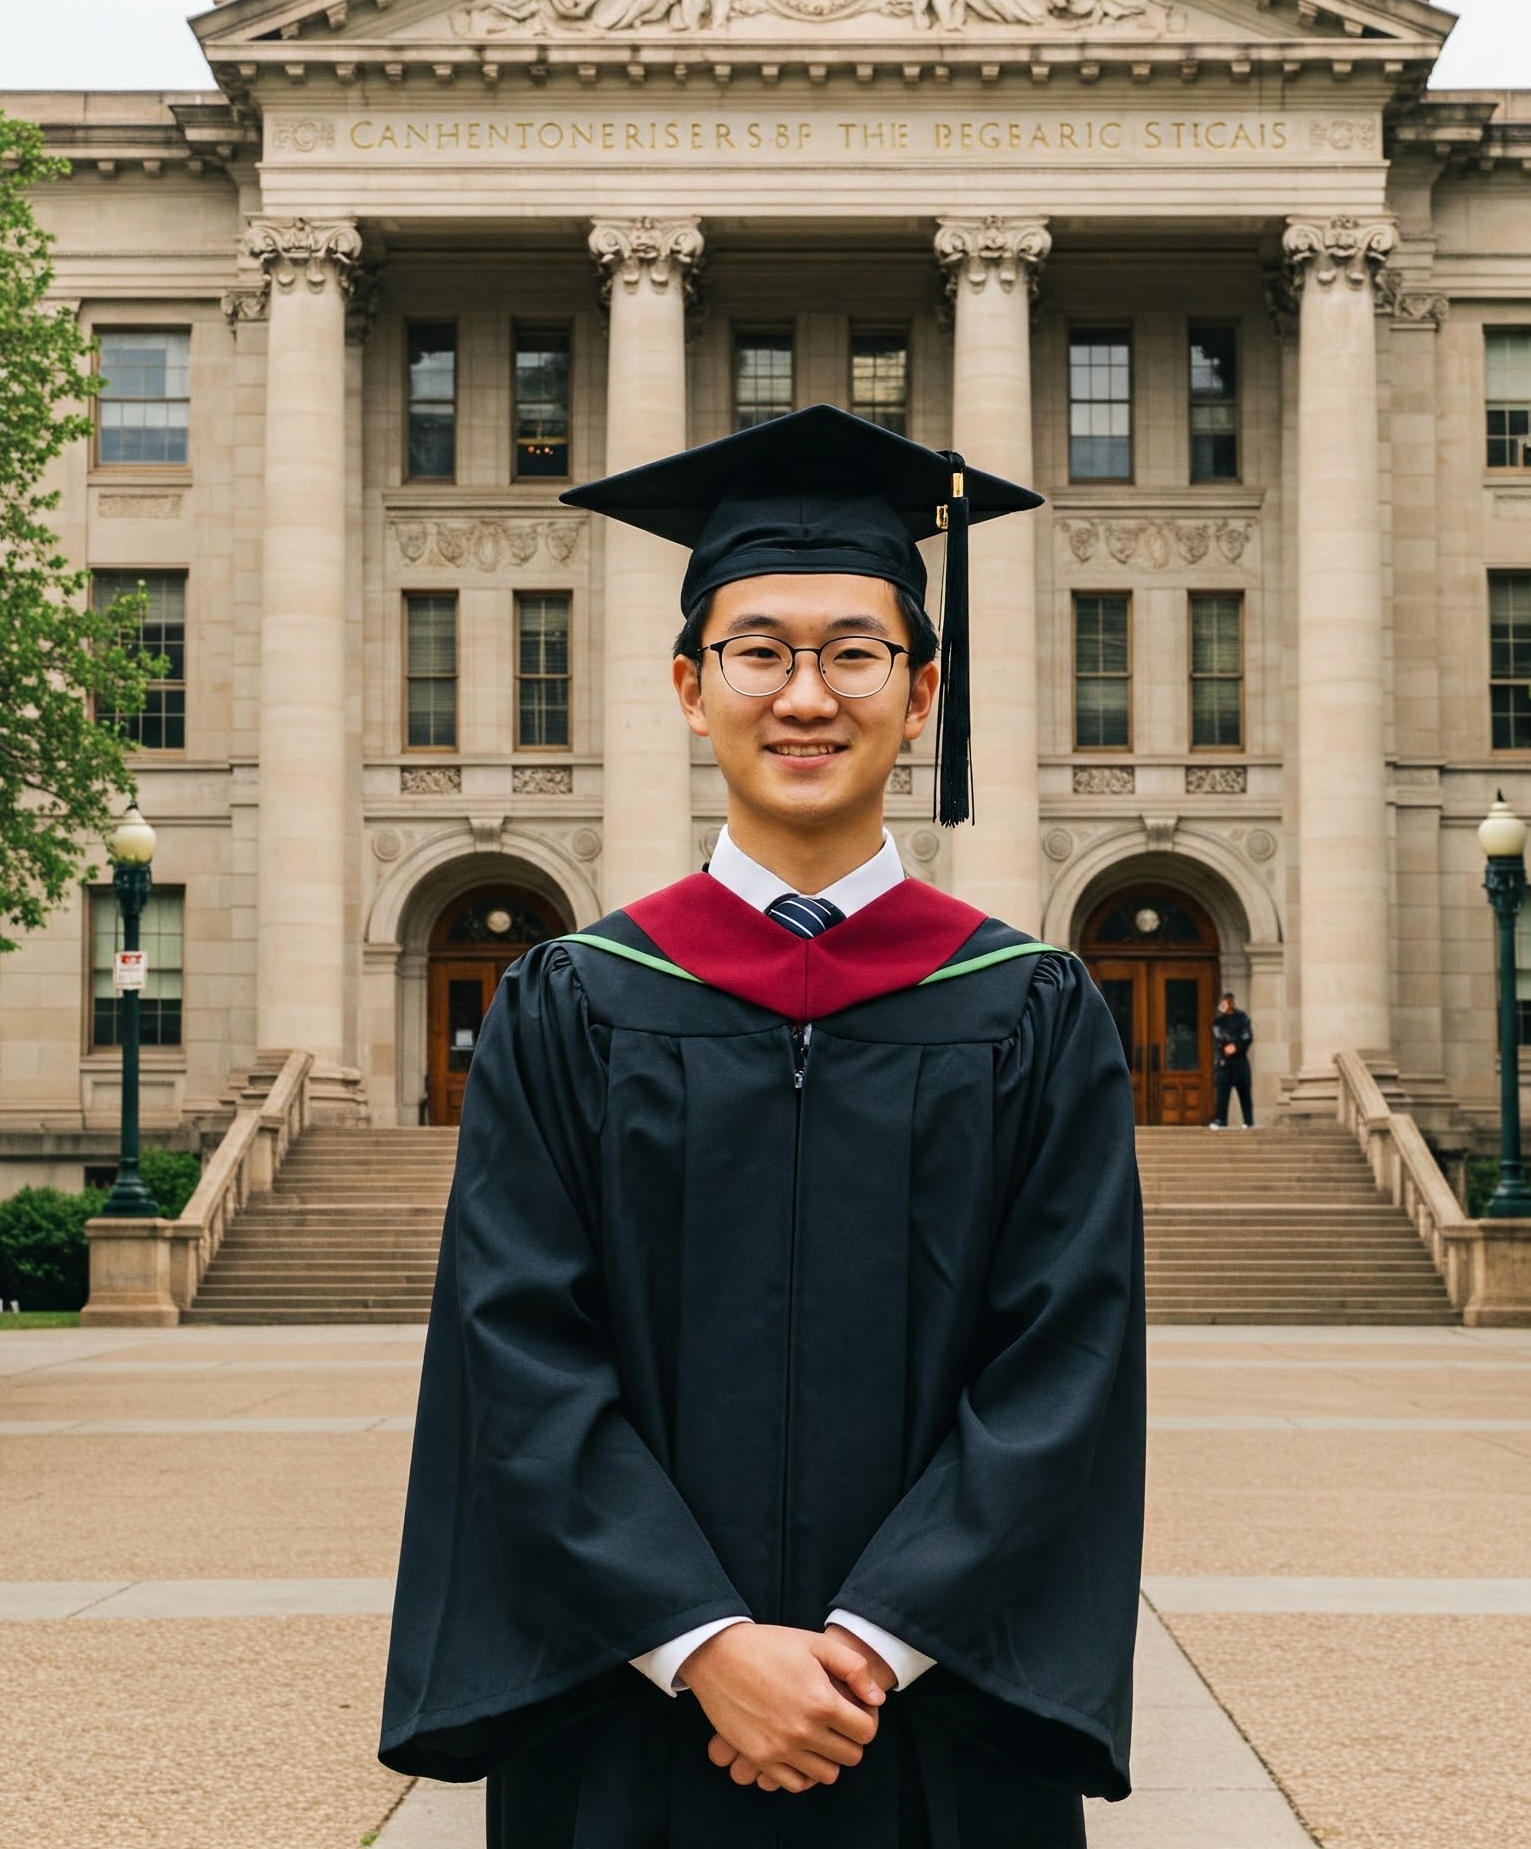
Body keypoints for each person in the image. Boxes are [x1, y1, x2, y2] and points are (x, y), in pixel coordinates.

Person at [380, 405, 1146, 1848]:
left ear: (920, 694)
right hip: (631, 1720)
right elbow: (514, 1346)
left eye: (855, 652)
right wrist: (699, 1639)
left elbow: (1066, 1363)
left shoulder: (1029, 1010)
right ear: (690, 685)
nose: (806, 696)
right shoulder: (573, 1001)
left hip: (931, 1729)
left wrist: (875, 1641)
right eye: (760, 652)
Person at [1209, 992, 1255, 1129]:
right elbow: (1218, 1036)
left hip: (1240, 1060)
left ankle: (1248, 1121)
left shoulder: (1242, 1018)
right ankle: (1220, 1119)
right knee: (1222, 1092)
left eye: (1226, 1002)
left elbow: (1247, 1036)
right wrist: (1225, 1045)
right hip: (1226, 1061)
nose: (1223, 1005)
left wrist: (1236, 1045)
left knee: (1244, 1091)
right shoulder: (1219, 1021)